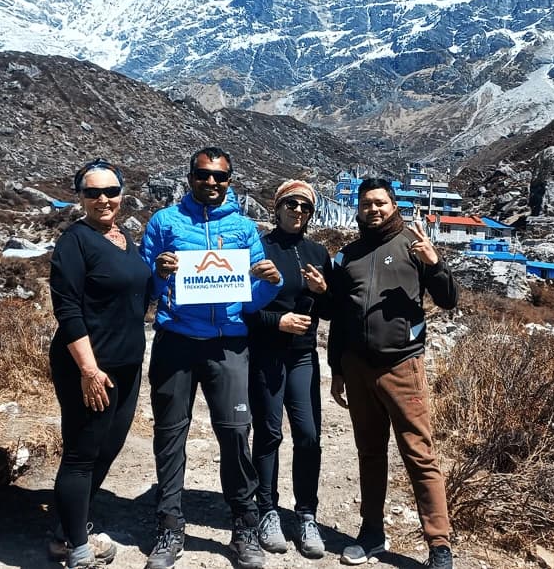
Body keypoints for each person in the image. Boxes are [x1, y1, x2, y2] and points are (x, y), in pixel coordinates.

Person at [140, 147, 283, 569]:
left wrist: (270, 284)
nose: (212, 183)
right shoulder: (164, 222)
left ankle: (244, 525)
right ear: (190, 177)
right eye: (204, 175)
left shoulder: (242, 228)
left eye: (220, 177)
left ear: (229, 180)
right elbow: (144, 285)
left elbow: (251, 295)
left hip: (229, 345)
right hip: (177, 340)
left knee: (237, 433)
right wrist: (159, 273)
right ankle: (169, 526)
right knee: (169, 435)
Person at [327, 178, 460, 569]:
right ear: (358, 208)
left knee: (419, 454)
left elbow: (449, 300)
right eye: (366, 203)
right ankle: (371, 533)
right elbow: (338, 318)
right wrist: (336, 369)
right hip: (356, 368)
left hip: (402, 366)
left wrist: (435, 264)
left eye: (380, 202)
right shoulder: (347, 256)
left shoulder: (413, 245)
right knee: (369, 453)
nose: (374, 209)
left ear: (394, 205)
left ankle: (439, 545)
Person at [48, 159, 152, 568]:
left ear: (122, 194)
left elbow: (135, 293)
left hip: (127, 364)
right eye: (93, 193)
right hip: (90, 367)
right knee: (81, 451)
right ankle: (76, 548)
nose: (103, 199)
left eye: (110, 191)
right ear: (81, 198)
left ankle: (68, 528)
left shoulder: (123, 237)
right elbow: (68, 310)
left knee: (108, 447)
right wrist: (89, 370)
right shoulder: (75, 241)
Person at [243, 180, 330, 559]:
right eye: (291, 204)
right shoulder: (258, 248)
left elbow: (329, 312)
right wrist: (277, 322)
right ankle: (267, 511)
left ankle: (306, 514)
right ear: (277, 207)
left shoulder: (318, 252)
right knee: (268, 433)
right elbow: (241, 308)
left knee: (309, 435)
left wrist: (324, 291)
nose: (298, 211)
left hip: (303, 355)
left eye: (306, 207)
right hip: (266, 352)